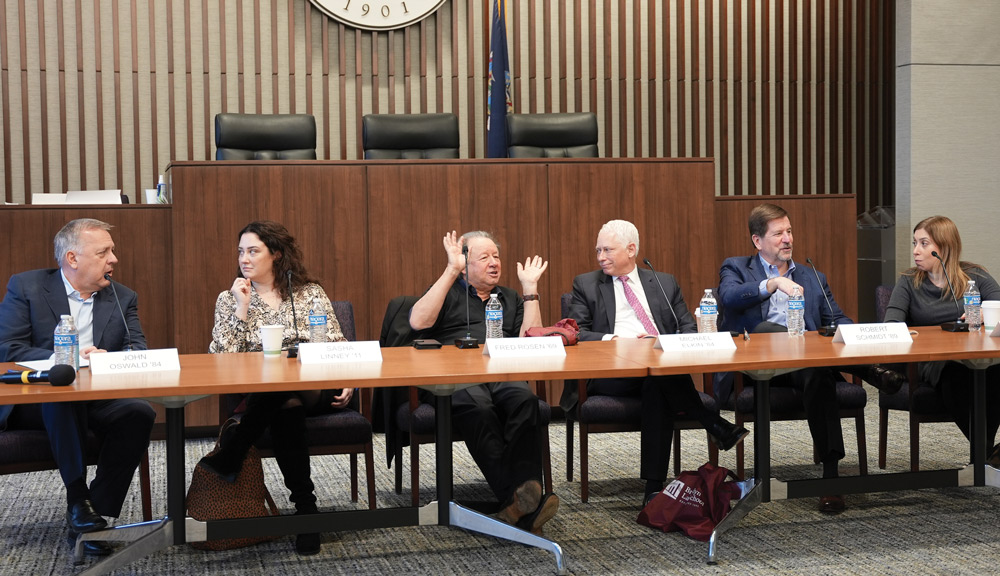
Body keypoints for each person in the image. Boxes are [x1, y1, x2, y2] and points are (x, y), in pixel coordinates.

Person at [717, 203, 904, 514]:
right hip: (758, 366)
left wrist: (863, 336)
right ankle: (872, 372)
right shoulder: (736, 267)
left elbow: (836, 319)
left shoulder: (812, 276)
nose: (787, 239)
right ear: (757, 241)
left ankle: (830, 479)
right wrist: (773, 283)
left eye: (789, 231)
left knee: (817, 368)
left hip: (806, 365)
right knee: (769, 330)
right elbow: (729, 298)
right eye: (778, 234)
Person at [566, 219, 749, 508]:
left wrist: (656, 342)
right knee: (660, 377)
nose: (601, 257)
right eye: (598, 250)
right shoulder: (586, 284)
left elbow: (687, 328)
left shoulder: (663, 282)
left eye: (608, 250)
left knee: (656, 382)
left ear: (631, 250)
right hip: (612, 372)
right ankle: (712, 423)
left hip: (659, 367)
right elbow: (578, 331)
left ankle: (654, 488)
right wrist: (620, 340)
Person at [0, 218, 156, 556]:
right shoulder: (26, 287)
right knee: (61, 398)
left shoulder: (121, 296)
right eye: (103, 252)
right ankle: (77, 497)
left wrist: (105, 358)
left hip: (95, 397)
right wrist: (66, 357)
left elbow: (137, 349)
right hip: (36, 400)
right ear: (72, 258)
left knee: (139, 411)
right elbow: (8, 348)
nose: (113, 259)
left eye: (111, 251)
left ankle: (94, 514)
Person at [198, 220, 350, 556]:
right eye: (240, 252)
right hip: (267, 393)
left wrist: (348, 379)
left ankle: (233, 451)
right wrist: (240, 309)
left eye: (253, 251)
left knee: (286, 392)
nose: (244, 259)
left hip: (315, 386)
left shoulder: (309, 293)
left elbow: (338, 342)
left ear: (276, 255)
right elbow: (221, 360)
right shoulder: (230, 298)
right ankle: (306, 512)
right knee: (285, 401)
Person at [408, 230, 558, 535]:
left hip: (501, 372)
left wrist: (530, 291)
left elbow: (530, 340)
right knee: (479, 407)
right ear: (464, 264)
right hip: (454, 378)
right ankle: (519, 500)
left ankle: (516, 506)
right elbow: (417, 322)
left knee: (526, 401)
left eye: (496, 256)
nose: (494, 263)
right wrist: (451, 271)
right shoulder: (447, 290)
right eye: (484, 257)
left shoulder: (509, 297)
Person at [883, 215, 1000, 464]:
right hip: (932, 361)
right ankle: (987, 455)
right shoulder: (909, 281)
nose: (916, 251)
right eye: (915, 243)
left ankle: (983, 458)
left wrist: (984, 311)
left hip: (975, 356)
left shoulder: (975, 277)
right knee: (954, 375)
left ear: (945, 246)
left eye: (924, 244)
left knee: (994, 373)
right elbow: (891, 324)